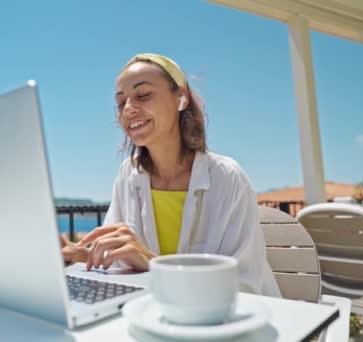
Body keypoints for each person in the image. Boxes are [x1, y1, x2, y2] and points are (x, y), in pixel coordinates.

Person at [61, 53, 281, 297]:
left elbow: (242, 285)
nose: (129, 109)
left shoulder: (227, 177)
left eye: (143, 95)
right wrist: (79, 254)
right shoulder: (128, 175)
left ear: (181, 98)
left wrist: (154, 263)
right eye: (121, 103)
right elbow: (121, 260)